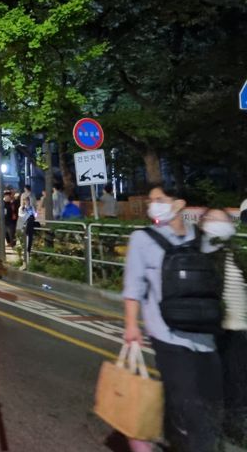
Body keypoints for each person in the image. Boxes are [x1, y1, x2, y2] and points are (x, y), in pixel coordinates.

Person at [123, 185, 222, 452]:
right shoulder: (142, 239)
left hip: (205, 336)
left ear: (179, 204)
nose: (152, 205)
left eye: (159, 199)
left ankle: (154, 429)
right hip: (166, 334)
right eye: (151, 200)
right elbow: (134, 286)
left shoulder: (202, 239)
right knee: (193, 407)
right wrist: (131, 325)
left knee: (205, 401)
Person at [200, 208, 247, 446]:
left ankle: (234, 426)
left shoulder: (235, 252)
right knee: (213, 382)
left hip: (239, 328)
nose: (220, 224)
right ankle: (210, 427)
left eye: (224, 220)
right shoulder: (202, 253)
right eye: (213, 219)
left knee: (238, 382)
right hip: (214, 329)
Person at [18, 195, 37, 259]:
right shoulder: (21, 208)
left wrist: (33, 214)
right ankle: (27, 251)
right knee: (27, 237)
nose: (26, 202)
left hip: (31, 221)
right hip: (25, 222)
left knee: (29, 236)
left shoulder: (31, 207)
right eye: (25, 200)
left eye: (27, 200)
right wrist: (26, 214)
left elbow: (35, 214)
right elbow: (20, 215)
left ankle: (28, 250)